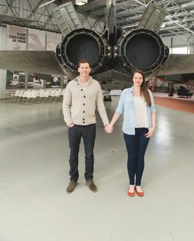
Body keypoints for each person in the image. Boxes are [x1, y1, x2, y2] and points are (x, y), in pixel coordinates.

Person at [62, 58, 111, 193]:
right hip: (74, 126)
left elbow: (100, 105)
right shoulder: (71, 85)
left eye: (87, 67)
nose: (84, 70)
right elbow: (66, 104)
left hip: (90, 126)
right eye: (82, 67)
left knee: (89, 154)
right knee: (73, 154)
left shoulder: (95, 85)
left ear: (90, 69)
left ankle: (89, 179)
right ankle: (73, 179)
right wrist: (68, 121)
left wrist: (106, 123)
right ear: (78, 69)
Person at [106, 70, 157, 197]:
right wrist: (111, 124)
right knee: (132, 157)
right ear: (132, 79)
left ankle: (138, 184)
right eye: (136, 77)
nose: (138, 80)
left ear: (143, 80)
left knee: (140, 157)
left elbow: (153, 110)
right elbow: (119, 110)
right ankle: (131, 184)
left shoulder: (148, 93)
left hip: (144, 130)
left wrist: (153, 127)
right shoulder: (125, 93)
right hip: (129, 131)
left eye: (140, 78)